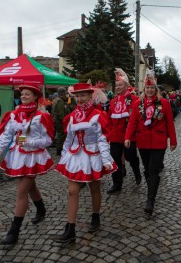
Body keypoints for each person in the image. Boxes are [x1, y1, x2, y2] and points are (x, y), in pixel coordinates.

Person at [0, 83, 55, 245]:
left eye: (27, 94)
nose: (23, 96)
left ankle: (14, 232)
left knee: (22, 191)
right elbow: (5, 137)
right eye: (22, 94)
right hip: (18, 156)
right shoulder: (14, 115)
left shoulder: (41, 116)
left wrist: (30, 142)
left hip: (34, 157)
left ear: (35, 97)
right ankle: (41, 209)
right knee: (30, 186)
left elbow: (48, 140)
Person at [55, 83, 116, 243]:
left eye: (83, 95)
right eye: (77, 96)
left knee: (94, 189)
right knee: (72, 191)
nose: (80, 99)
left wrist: (105, 159)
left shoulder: (98, 114)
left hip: (92, 156)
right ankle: (70, 229)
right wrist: (64, 155)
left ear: (90, 96)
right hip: (76, 156)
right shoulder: (73, 115)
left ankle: (95, 216)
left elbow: (103, 139)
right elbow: (69, 138)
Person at [124, 69, 177, 215]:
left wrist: (173, 141)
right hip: (143, 142)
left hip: (159, 142)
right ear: (144, 89)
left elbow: (170, 123)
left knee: (153, 170)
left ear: (155, 89)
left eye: (152, 88)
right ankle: (152, 189)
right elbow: (132, 122)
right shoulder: (137, 104)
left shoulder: (164, 103)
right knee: (147, 170)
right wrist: (128, 137)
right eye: (147, 88)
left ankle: (150, 201)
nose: (149, 90)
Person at [106, 68, 142, 194]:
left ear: (126, 86)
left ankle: (137, 171)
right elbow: (109, 119)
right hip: (115, 135)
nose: (118, 87)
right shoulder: (113, 102)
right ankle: (117, 183)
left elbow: (137, 118)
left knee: (130, 157)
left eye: (120, 85)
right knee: (115, 160)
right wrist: (109, 134)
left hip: (129, 135)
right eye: (117, 85)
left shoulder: (134, 99)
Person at [51, 87, 71, 156]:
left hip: (56, 120)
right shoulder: (60, 101)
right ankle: (59, 150)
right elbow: (61, 113)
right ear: (63, 94)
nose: (66, 96)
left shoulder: (56, 100)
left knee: (60, 134)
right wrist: (65, 121)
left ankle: (59, 148)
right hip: (59, 121)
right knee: (61, 135)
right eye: (65, 94)